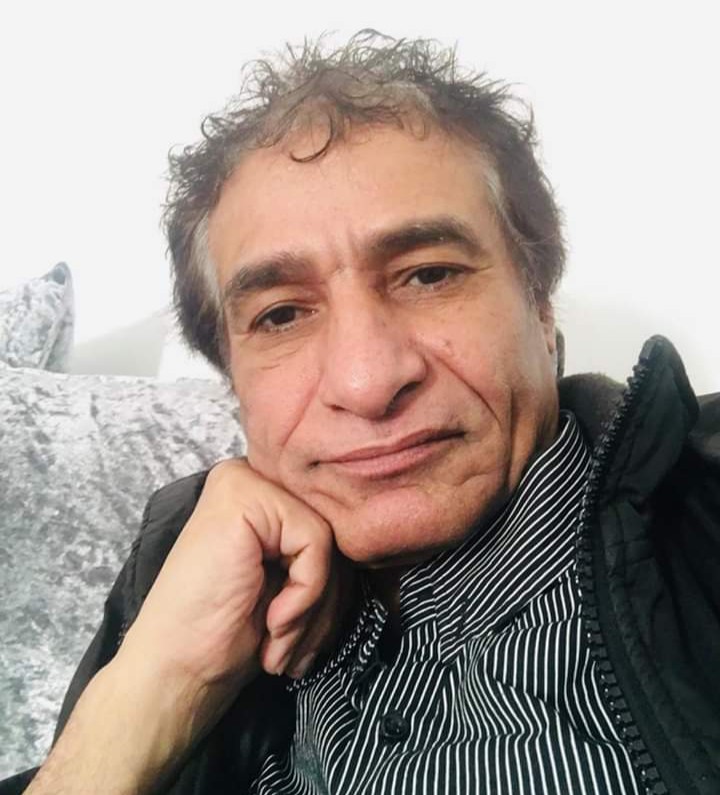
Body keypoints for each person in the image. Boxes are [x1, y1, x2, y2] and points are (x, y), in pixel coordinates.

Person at [2, 30, 719, 795]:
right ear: (234, 382)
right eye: (281, 315)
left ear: (540, 309)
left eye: (429, 274)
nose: (367, 379)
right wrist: (153, 690)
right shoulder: (173, 584)